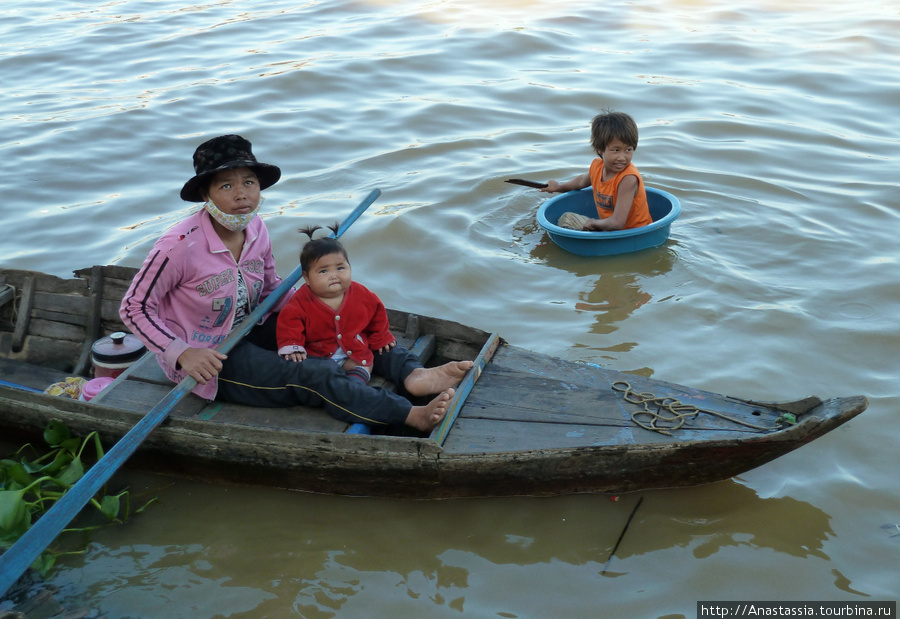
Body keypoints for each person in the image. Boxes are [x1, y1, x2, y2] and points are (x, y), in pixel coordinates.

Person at [120, 134, 472, 432]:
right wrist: (182, 353)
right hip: (211, 357)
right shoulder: (179, 247)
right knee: (313, 372)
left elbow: (272, 286)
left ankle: (413, 375)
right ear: (206, 196)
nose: (242, 194)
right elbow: (133, 307)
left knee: (348, 322)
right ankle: (411, 415)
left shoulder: (255, 228)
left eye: (249, 182)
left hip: (254, 324)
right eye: (226, 185)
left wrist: (316, 308)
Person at [276, 226, 396, 386]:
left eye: (340, 268)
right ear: (307, 278)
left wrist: (381, 337)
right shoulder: (300, 301)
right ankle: (336, 386)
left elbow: (377, 314)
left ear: (350, 267)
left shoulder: (361, 293)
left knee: (365, 363)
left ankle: (355, 384)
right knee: (314, 371)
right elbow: (289, 324)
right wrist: (294, 346)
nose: (334, 275)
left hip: (353, 351)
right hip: (319, 356)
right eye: (323, 271)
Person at [541, 110, 653, 231]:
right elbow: (581, 181)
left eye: (628, 150)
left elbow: (617, 223)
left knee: (568, 221)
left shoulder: (628, 179)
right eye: (615, 150)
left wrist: (594, 223)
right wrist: (558, 187)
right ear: (600, 150)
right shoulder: (597, 166)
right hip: (609, 229)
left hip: (632, 234)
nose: (622, 157)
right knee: (565, 219)